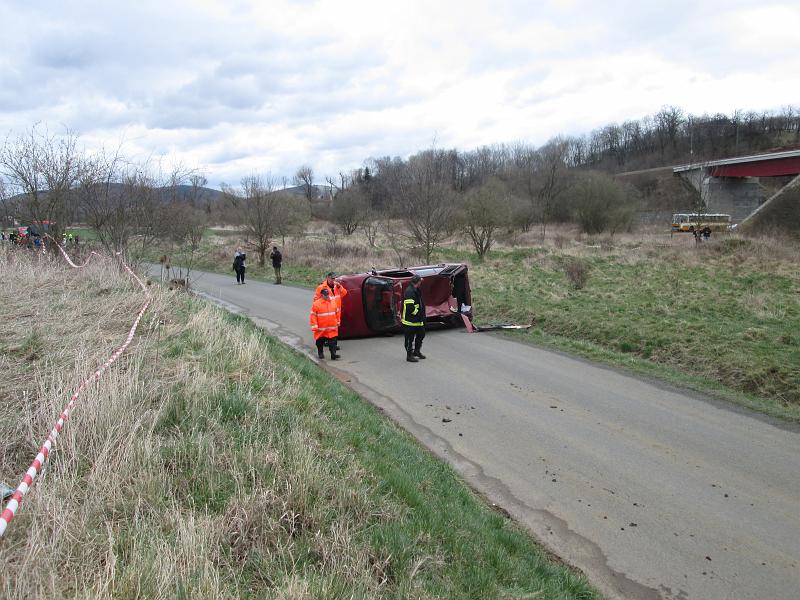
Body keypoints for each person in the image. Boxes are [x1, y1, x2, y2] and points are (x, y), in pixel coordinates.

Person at [310, 287, 340, 360]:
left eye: (327, 295)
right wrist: (314, 326)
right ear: (321, 295)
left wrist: (338, 322)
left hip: (332, 328)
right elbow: (313, 315)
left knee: (333, 343)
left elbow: (337, 312)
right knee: (320, 342)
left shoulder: (333, 302)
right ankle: (320, 352)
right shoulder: (316, 304)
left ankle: (333, 355)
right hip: (321, 329)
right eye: (325, 295)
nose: (327, 296)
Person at [402, 274, 426, 362]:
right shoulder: (410, 291)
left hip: (418, 320)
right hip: (410, 321)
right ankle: (409, 356)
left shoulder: (416, 290)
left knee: (421, 334)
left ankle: (416, 351)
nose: (421, 282)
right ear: (418, 282)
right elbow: (410, 308)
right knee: (409, 339)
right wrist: (419, 313)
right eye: (420, 281)